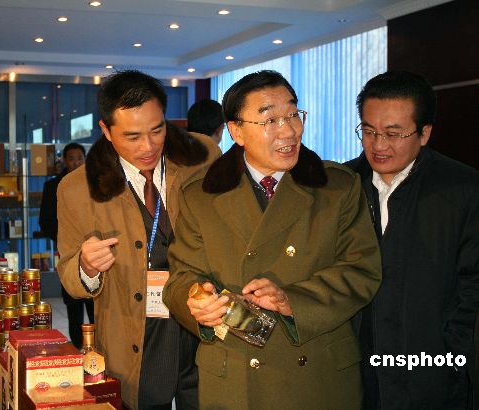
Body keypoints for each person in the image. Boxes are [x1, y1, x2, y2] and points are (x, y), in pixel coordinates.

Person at [163, 70, 382, 409]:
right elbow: (181, 277)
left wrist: (292, 301)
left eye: (293, 114)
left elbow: (361, 270)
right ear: (236, 131)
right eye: (270, 120)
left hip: (316, 373)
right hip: (235, 373)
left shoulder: (336, 187)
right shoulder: (201, 195)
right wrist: (197, 301)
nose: (289, 130)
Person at [56, 70, 221, 410]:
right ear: (106, 130)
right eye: (132, 136)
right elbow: (70, 276)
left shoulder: (201, 157)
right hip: (136, 335)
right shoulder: (76, 189)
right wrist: (87, 266)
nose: (148, 147)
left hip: (204, 325)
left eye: (157, 130)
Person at [346, 71, 479, 409]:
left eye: (393, 133)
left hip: (432, 378)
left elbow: (472, 286)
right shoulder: (341, 186)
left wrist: (450, 355)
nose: (379, 145)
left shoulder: (463, 189)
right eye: (369, 131)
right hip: (354, 376)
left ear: (424, 133)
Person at [39, 142, 93, 349]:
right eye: (71, 159)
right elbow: (45, 221)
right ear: (64, 161)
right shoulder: (52, 186)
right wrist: (64, 239)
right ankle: (77, 347)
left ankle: (98, 347)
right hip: (68, 251)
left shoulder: (95, 182)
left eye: (79, 158)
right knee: (73, 302)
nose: (76, 163)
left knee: (96, 301)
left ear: (85, 160)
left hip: (94, 248)